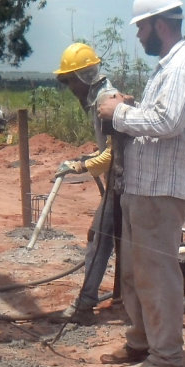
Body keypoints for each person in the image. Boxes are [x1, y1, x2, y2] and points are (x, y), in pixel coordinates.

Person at [96, 0, 185, 367]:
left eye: (141, 27)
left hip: (162, 190)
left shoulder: (182, 68)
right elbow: (160, 116)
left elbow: (167, 122)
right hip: (145, 187)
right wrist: (130, 109)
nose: (138, 34)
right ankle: (141, 343)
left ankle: (166, 359)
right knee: (135, 272)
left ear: (159, 24)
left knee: (157, 274)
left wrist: (117, 114)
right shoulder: (169, 67)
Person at [50, 43, 122, 325]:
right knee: (112, 240)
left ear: (83, 77)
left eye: (70, 80)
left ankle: (85, 304)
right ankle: (121, 297)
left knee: (99, 239)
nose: (69, 87)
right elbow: (110, 148)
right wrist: (89, 158)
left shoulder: (106, 101)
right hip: (121, 179)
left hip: (124, 182)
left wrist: (82, 166)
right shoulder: (100, 99)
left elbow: (114, 154)